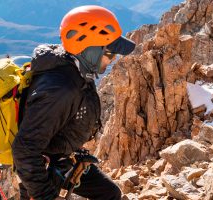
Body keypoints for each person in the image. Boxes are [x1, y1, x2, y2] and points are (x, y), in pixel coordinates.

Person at [12, 5, 136, 200]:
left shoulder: (76, 71)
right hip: (43, 171)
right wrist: (46, 195)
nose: (112, 60)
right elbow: (25, 149)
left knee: (109, 193)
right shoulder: (61, 89)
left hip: (62, 160)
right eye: (110, 53)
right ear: (89, 50)